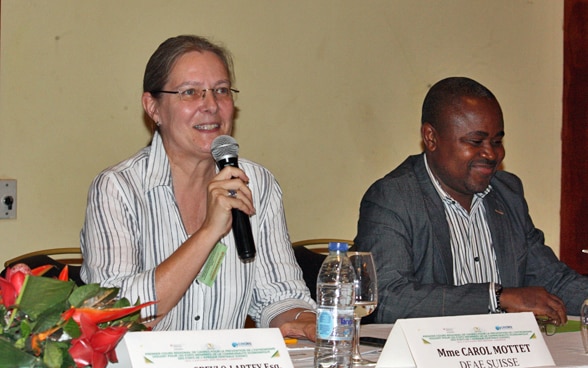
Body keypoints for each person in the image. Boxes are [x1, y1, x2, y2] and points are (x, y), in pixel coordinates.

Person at [80, 35, 316, 340]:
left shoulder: (257, 183)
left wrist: (307, 320)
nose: (211, 106)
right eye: (190, 92)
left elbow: (279, 295)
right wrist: (208, 233)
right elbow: (116, 315)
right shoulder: (118, 189)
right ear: (153, 107)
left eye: (220, 90)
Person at [354, 76, 588, 325]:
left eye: (497, 141)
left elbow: (553, 280)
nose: (491, 153)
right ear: (431, 138)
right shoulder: (393, 198)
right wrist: (496, 298)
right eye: (476, 142)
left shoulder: (507, 192)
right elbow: (387, 298)